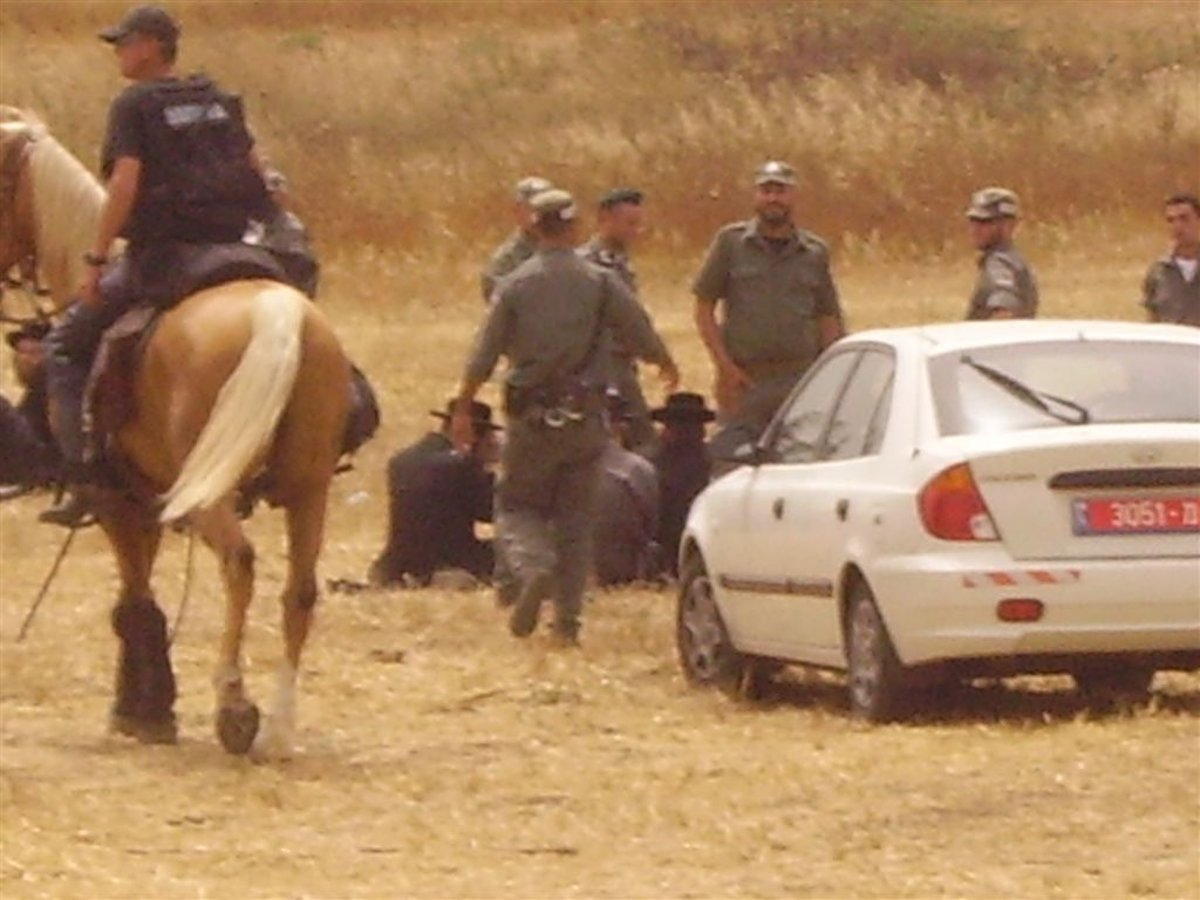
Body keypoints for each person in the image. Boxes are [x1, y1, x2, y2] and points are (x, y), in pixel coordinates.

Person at [41, 4, 275, 526]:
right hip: (239, 249)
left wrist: (97, 259)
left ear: (151, 46)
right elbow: (259, 170)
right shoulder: (217, 98)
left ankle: (85, 476)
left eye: (124, 43)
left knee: (64, 345)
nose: (119, 53)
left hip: (166, 257)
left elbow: (124, 183)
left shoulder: (135, 105)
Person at [452, 188, 679, 645]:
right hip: (586, 418)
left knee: (516, 505)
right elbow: (638, 330)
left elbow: (484, 352)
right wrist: (665, 363)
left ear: (535, 226)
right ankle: (567, 627)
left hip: (531, 418)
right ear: (575, 227)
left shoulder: (515, 284)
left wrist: (463, 405)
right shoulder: (599, 281)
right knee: (576, 520)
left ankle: (535, 570)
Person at [693, 160, 844, 444]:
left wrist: (827, 378)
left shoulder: (814, 252)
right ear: (756, 196)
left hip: (799, 379)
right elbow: (703, 308)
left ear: (793, 196)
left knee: (801, 455)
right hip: (746, 380)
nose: (773, 198)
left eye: (781, 191)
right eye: (766, 191)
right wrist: (725, 368)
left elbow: (828, 318)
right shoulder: (730, 243)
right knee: (735, 458)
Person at [368, 400, 500, 588]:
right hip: (452, 560)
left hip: (397, 563)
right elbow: (495, 512)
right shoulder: (464, 465)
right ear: (474, 436)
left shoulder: (401, 460)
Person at [578, 187, 657, 455]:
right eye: (629, 223)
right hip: (600, 363)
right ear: (605, 219)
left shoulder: (621, 262)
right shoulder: (588, 265)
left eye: (639, 223)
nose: (636, 231)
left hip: (623, 362)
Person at [592, 391, 661, 587]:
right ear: (620, 427)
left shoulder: (558, 467)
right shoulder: (638, 469)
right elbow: (651, 524)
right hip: (624, 571)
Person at [649, 392, 715, 577]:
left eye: (691, 426)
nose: (686, 432)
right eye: (681, 425)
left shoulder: (711, 464)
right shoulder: (649, 466)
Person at [964, 186, 1039, 321]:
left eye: (985, 222)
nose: (975, 228)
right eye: (973, 221)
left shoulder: (999, 262)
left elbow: (1004, 309)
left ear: (1009, 225)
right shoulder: (1015, 261)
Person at [480, 175, 552, 303]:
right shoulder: (505, 262)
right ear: (517, 211)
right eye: (532, 208)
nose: (539, 214)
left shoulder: (572, 250)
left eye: (545, 208)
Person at [1142, 193, 1200, 326]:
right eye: (1170, 220)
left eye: (1184, 219)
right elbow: (1152, 319)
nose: (1177, 226)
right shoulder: (1158, 273)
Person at [5, 320, 56, 455]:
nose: (24, 359)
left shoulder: (65, 392)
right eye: (20, 352)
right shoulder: (25, 409)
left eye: (33, 352)